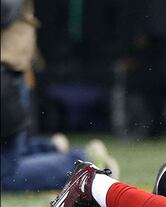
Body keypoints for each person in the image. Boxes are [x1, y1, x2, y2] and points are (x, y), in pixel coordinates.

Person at [1, 0, 119, 191]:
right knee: (12, 154)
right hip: (11, 65)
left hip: (7, 71)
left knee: (6, 175)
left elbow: (5, 10)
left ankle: (83, 166)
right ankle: (54, 150)